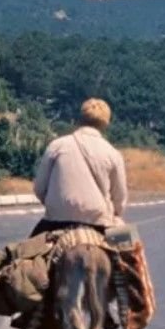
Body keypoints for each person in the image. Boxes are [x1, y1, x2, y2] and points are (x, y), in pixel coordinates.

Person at [31, 98, 128, 238]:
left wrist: (56, 205)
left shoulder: (57, 145)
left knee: (22, 256)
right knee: (133, 255)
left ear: (80, 119)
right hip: (100, 223)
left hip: (55, 222)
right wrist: (114, 214)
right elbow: (119, 199)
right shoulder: (113, 153)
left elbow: (39, 188)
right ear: (105, 123)